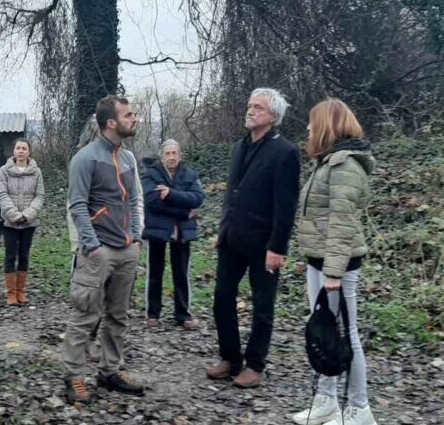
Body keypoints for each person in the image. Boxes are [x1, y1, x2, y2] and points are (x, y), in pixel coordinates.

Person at [291, 98, 379, 425]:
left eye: (313, 123)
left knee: (347, 334)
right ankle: (327, 399)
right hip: (320, 261)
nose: (309, 129)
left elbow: (342, 223)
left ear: (327, 125)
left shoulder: (345, 166)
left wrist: (333, 273)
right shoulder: (327, 162)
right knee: (326, 331)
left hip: (336, 266)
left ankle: (360, 411)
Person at [206, 88, 301, 389]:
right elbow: (231, 196)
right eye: (249, 106)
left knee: (263, 305)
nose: (251, 111)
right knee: (222, 298)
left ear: (274, 116)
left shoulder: (285, 152)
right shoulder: (240, 147)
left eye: (258, 107)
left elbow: (286, 206)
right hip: (232, 239)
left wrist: (278, 247)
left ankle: (255, 364)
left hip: (263, 245)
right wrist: (222, 231)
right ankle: (230, 358)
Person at [62, 95, 144, 405]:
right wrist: (92, 246)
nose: (134, 119)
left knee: (118, 316)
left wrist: (135, 237)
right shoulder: (85, 158)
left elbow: (133, 200)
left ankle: (110, 371)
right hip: (98, 253)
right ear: (111, 123)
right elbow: (78, 205)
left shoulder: (127, 158)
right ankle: (73, 375)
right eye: (128, 115)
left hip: (126, 251)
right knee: (85, 314)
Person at [141, 139, 205, 330]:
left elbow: (197, 198)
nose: (171, 157)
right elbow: (152, 202)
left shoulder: (190, 175)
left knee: (181, 273)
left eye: (174, 153)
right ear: (162, 157)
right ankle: (153, 314)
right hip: (158, 230)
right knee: (155, 272)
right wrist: (185, 212)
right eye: (167, 154)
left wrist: (170, 194)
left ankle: (183, 314)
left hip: (182, 231)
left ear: (180, 155)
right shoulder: (151, 174)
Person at [0, 138, 45, 306]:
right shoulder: (4, 171)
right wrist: (14, 215)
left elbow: (39, 196)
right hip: (10, 222)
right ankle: (11, 294)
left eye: (24, 148)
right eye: (18, 148)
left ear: (29, 152)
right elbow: (2, 194)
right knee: (10, 255)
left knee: (24, 255)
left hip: (29, 222)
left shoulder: (36, 172)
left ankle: (21, 292)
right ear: (14, 151)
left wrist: (28, 214)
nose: (21, 151)